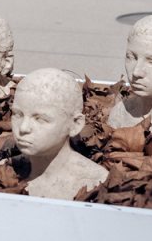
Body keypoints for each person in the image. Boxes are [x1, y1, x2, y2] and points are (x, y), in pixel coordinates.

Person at [10, 68, 107, 200]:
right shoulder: (6, 170)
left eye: (40, 119)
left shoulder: (95, 183)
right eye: (18, 114)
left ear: (75, 125)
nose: (23, 128)